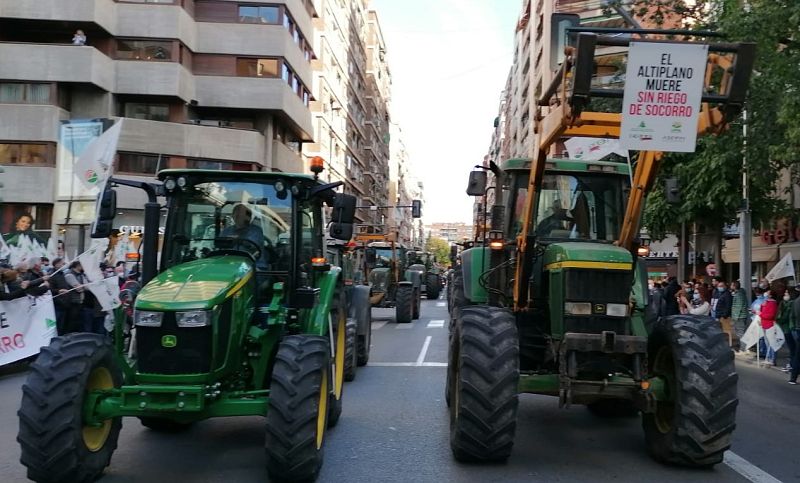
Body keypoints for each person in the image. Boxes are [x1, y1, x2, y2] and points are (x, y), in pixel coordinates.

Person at [48, 258, 71, 335]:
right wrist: (59, 291)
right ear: (56, 264)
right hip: (57, 304)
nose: (63, 265)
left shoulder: (61, 274)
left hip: (64, 303)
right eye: (62, 263)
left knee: (62, 325)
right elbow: (50, 290)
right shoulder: (52, 275)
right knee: (56, 325)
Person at [63, 261, 88, 334]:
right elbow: (78, 288)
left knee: (77, 321)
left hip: (80, 301)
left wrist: (82, 287)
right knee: (71, 321)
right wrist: (82, 287)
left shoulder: (81, 275)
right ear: (77, 266)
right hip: (72, 301)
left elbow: (87, 287)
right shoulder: (69, 275)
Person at [758, 289, 779, 366]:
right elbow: (763, 311)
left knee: (771, 343)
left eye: (768, 293)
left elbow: (770, 315)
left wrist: (760, 314)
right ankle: (769, 357)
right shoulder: (766, 302)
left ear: (770, 295)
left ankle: (772, 359)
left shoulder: (773, 304)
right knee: (767, 343)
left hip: (770, 325)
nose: (765, 294)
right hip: (764, 324)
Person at [777, 289, 796, 374]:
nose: (785, 294)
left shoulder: (791, 304)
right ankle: (792, 364)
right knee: (792, 349)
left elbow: (784, 317)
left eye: (787, 293)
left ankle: (793, 365)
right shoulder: (785, 304)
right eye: (785, 292)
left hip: (789, 328)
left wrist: (779, 319)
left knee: (793, 349)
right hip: (786, 328)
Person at [731, 280, 749, 351]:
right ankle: (742, 347)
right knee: (739, 332)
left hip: (739, 316)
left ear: (734, 286)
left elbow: (738, 307)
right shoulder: (740, 293)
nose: (731, 286)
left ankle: (743, 348)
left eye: (732, 285)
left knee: (740, 332)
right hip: (741, 316)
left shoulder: (739, 295)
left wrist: (735, 317)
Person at [715, 279, 734, 347]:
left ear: (725, 286)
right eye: (719, 286)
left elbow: (728, 306)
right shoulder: (722, 294)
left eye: (721, 286)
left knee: (726, 331)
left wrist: (724, 315)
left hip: (724, 316)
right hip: (720, 316)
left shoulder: (727, 294)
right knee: (722, 331)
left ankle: (728, 344)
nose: (719, 287)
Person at [789, 286, 800, 385]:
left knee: (797, 354)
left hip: (797, 329)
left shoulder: (795, 302)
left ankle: (793, 377)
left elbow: (792, 316)